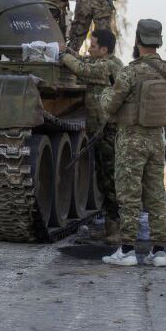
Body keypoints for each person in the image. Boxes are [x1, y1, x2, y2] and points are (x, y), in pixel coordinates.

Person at [99, 19, 166, 267]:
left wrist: (103, 94)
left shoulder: (131, 71)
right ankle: (159, 251)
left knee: (129, 195)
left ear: (138, 40)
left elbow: (110, 104)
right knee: (155, 195)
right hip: (157, 138)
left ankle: (127, 250)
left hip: (131, 139)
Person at [59, 29, 123, 242]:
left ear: (104, 49)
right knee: (104, 179)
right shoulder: (102, 61)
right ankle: (111, 226)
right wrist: (69, 51)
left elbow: (83, 70)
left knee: (111, 180)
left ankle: (117, 228)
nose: (89, 49)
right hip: (99, 131)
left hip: (109, 132)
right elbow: (85, 61)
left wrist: (63, 56)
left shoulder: (110, 66)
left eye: (93, 46)